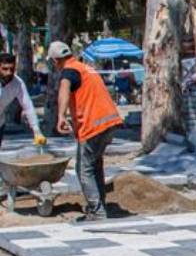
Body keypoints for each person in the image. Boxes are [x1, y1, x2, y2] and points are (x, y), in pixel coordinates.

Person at [48, 41, 124, 222]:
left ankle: (97, 212)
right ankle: (99, 207)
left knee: (83, 169)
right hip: (110, 122)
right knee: (95, 166)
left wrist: (61, 116)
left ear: (55, 60)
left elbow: (64, 89)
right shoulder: (86, 68)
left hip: (93, 125)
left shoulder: (69, 71)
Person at [0, 52, 46, 150]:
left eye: (11, 69)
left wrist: (37, 131)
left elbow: (28, 106)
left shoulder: (18, 84)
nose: (8, 72)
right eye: (4, 69)